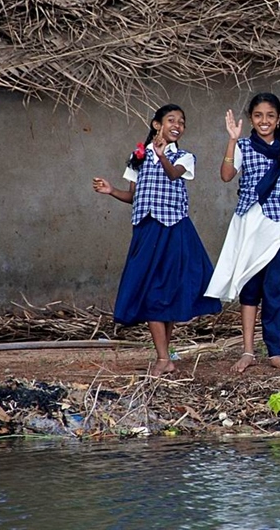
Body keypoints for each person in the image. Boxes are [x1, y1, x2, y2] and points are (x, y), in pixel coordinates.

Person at [93, 104, 222, 376]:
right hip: (146, 232)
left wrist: (162, 156)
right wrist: (111, 190)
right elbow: (134, 196)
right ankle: (163, 357)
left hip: (175, 231)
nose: (178, 125)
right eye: (171, 120)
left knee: (169, 291)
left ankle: (165, 356)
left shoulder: (185, 157)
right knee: (151, 290)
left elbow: (173, 174)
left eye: (182, 122)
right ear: (156, 125)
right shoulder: (138, 156)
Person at [205, 92, 280, 373]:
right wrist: (232, 140)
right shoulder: (244, 146)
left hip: (278, 226)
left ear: (279, 119)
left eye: (270, 116)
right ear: (251, 119)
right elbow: (226, 175)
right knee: (250, 288)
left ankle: (275, 352)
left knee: (274, 289)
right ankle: (248, 351)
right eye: (258, 115)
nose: (264, 121)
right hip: (249, 225)